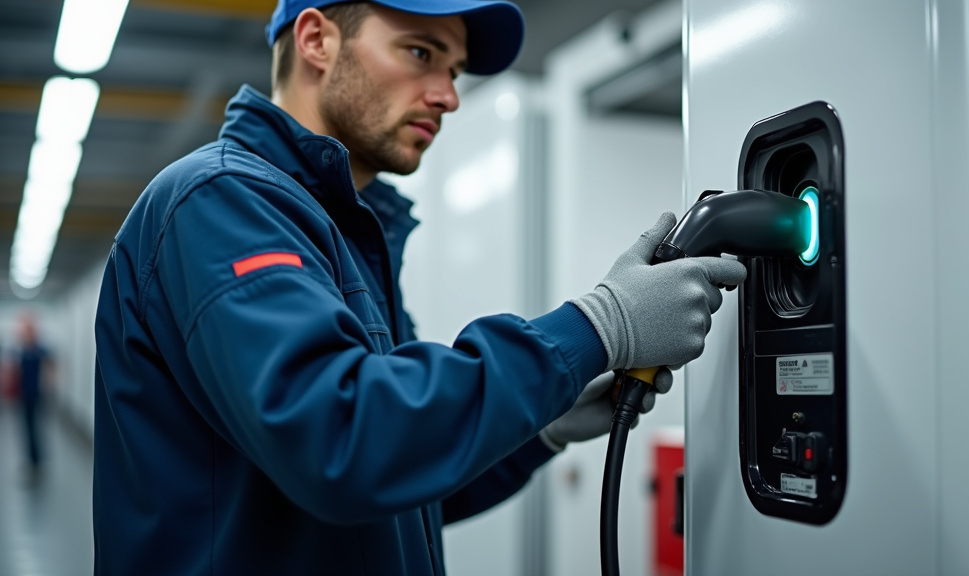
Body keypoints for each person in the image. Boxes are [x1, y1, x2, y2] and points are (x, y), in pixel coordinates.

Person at [91, 1, 748, 574]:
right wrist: (598, 326)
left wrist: (543, 428)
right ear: (317, 40)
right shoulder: (223, 202)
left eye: (454, 70)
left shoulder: (343, 230)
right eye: (420, 51)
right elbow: (341, 443)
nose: (448, 95)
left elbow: (400, 485)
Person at [13, 311, 51, 484]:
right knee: (27, 431)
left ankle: (37, 465)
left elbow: (51, 368)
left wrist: (49, 385)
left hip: (36, 396)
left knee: (35, 431)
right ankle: (31, 463)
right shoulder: (21, 351)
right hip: (24, 396)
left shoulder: (39, 350)